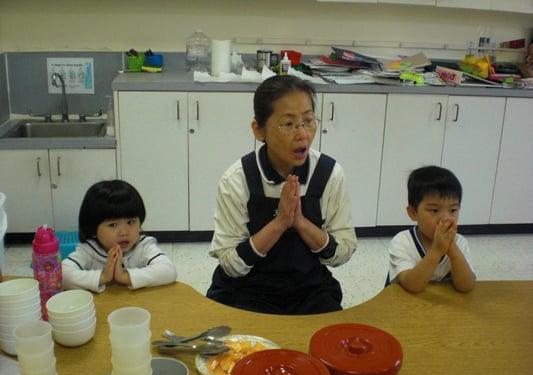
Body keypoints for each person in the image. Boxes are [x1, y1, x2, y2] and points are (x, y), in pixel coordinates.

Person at [206, 75, 357, 315]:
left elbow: (344, 250)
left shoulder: (329, 174)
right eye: (288, 124)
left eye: (308, 121)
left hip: (308, 288)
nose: (303, 134)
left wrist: (301, 224)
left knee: (329, 344)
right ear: (259, 130)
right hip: (247, 289)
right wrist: (279, 224)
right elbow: (230, 263)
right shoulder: (237, 179)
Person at [62, 180, 176, 293]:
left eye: (130, 222)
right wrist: (103, 277)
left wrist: (124, 276)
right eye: (113, 225)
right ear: (93, 228)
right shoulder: (88, 251)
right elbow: (61, 275)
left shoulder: (143, 246)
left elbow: (169, 271)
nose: (124, 232)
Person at [388, 166, 476, 293]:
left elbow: (466, 286)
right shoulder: (402, 242)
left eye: (453, 210)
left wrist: (453, 251)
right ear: (413, 213)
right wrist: (437, 251)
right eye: (434, 210)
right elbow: (412, 285)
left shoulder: (460, 242)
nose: (445, 219)